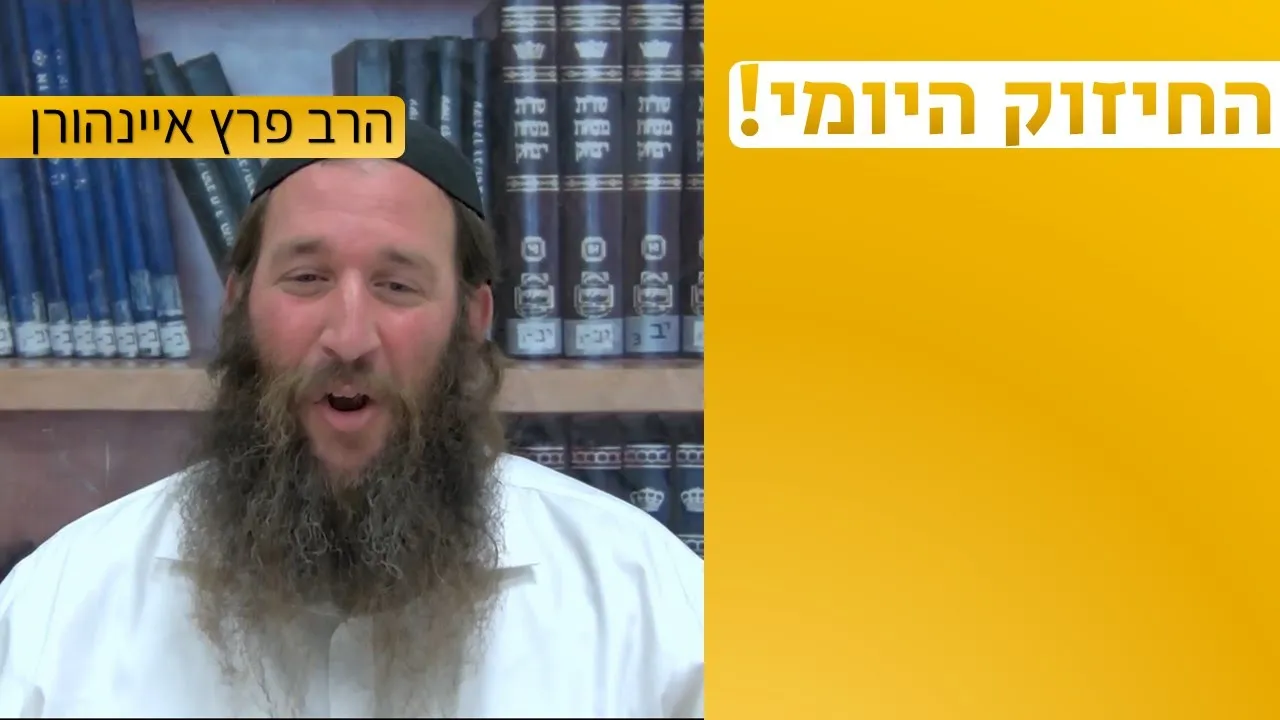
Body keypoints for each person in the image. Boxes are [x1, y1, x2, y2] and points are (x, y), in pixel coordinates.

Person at [0, 121, 703, 718]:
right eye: (307, 278)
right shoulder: (57, 612)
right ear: (237, 301)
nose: (349, 336)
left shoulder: (650, 606)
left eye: (397, 286)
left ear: (471, 320)